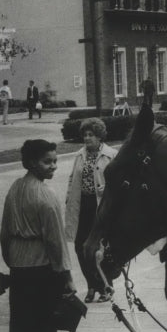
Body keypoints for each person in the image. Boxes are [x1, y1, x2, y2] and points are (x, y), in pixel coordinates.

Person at [0, 139, 76, 332]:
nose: (54, 166)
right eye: (48, 161)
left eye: (55, 161)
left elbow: (5, 232)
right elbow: (56, 242)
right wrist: (66, 277)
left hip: (20, 267)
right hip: (44, 268)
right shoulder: (46, 197)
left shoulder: (15, 189)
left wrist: (12, 261)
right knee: (48, 331)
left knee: (32, 326)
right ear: (33, 162)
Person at [64, 119, 117, 303]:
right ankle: (91, 285)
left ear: (99, 136)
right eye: (85, 135)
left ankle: (105, 286)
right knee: (80, 247)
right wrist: (68, 198)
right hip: (82, 206)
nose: (87, 138)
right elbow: (72, 178)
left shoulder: (111, 155)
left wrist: (109, 188)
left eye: (91, 135)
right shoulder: (80, 155)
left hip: (101, 206)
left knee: (100, 248)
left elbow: (121, 180)